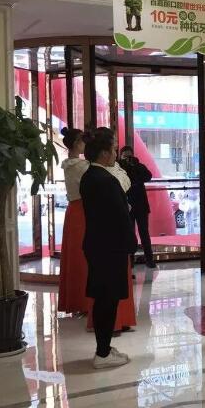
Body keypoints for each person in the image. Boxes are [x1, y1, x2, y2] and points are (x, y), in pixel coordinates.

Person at [80, 129, 137, 369]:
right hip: (109, 248)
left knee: (104, 297)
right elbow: (120, 217)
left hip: (99, 245)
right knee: (108, 299)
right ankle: (102, 353)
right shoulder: (104, 180)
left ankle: (103, 348)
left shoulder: (91, 176)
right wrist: (131, 244)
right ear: (104, 153)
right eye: (114, 149)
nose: (116, 154)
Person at [57, 128, 90, 315]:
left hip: (73, 211)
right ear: (77, 144)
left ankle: (76, 302)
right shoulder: (82, 166)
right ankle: (84, 302)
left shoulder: (68, 165)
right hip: (83, 212)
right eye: (83, 141)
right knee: (84, 257)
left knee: (74, 257)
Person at [119, 145, 156, 269]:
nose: (127, 159)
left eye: (130, 156)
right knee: (129, 234)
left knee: (144, 232)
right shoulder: (118, 168)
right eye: (125, 157)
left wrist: (136, 165)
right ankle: (130, 261)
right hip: (127, 205)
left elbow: (148, 176)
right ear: (120, 156)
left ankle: (149, 259)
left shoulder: (138, 166)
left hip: (141, 205)